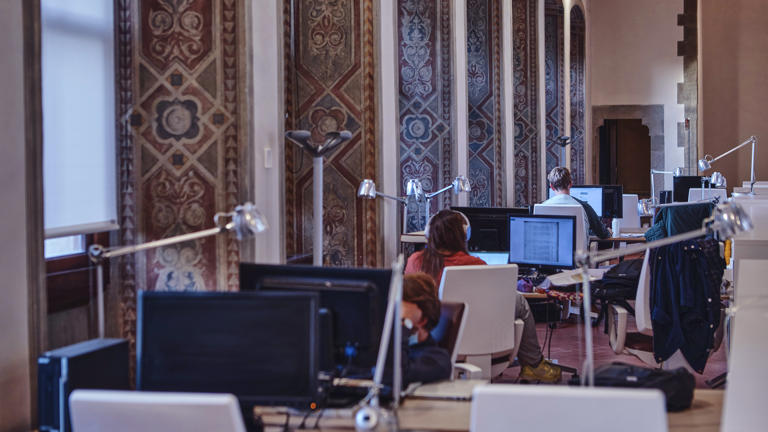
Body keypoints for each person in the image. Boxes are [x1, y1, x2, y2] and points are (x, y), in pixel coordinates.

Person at [404, 210, 562, 383]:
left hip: (435, 338)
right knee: (518, 301)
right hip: (481, 339)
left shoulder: (415, 261)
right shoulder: (477, 265)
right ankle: (533, 364)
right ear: (464, 235)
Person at [399, 272, 453, 385]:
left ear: (423, 319)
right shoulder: (382, 348)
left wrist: (404, 326)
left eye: (401, 320)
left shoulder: (437, 360)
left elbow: (397, 375)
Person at [541, 166, 611, 240]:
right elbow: (603, 234)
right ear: (570, 184)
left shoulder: (541, 207)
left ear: (551, 187)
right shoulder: (584, 206)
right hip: (579, 251)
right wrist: (608, 232)